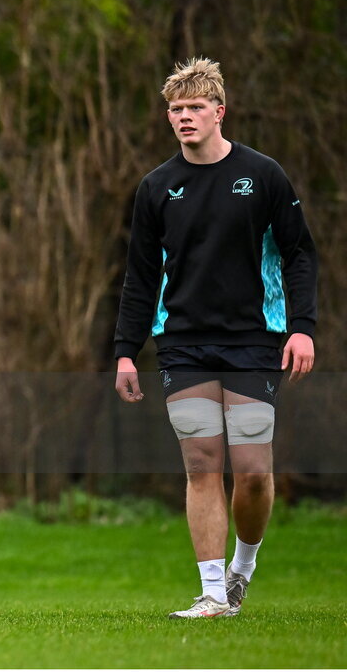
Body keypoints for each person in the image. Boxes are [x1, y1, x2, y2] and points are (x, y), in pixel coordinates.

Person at [114, 58, 317, 619]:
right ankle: (211, 595)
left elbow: (300, 254)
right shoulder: (156, 187)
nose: (184, 117)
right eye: (176, 110)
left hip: (256, 339)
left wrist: (302, 328)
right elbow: (140, 276)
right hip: (182, 343)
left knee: (252, 470)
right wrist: (125, 351)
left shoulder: (264, 175)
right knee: (202, 462)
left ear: (219, 112)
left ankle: (241, 569)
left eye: (195, 108)